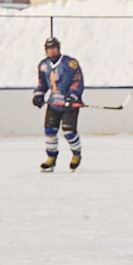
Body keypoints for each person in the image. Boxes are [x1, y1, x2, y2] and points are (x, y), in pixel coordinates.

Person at [33, 35, 84, 171]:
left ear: (59, 48)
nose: (52, 50)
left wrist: (72, 96)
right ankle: (51, 158)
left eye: (54, 48)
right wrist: (38, 95)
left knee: (69, 132)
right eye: (49, 48)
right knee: (50, 131)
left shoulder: (70, 63)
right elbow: (42, 83)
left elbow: (78, 81)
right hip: (54, 103)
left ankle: (76, 154)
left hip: (70, 105)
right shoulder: (43, 65)